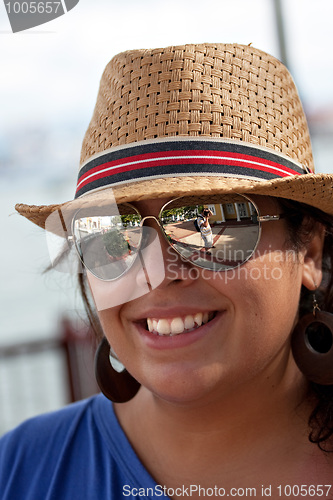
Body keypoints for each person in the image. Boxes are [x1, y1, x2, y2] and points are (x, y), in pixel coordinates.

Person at [1, 43, 333, 499]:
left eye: (211, 223)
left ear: (309, 252)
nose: (156, 272)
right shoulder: (20, 471)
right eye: (114, 233)